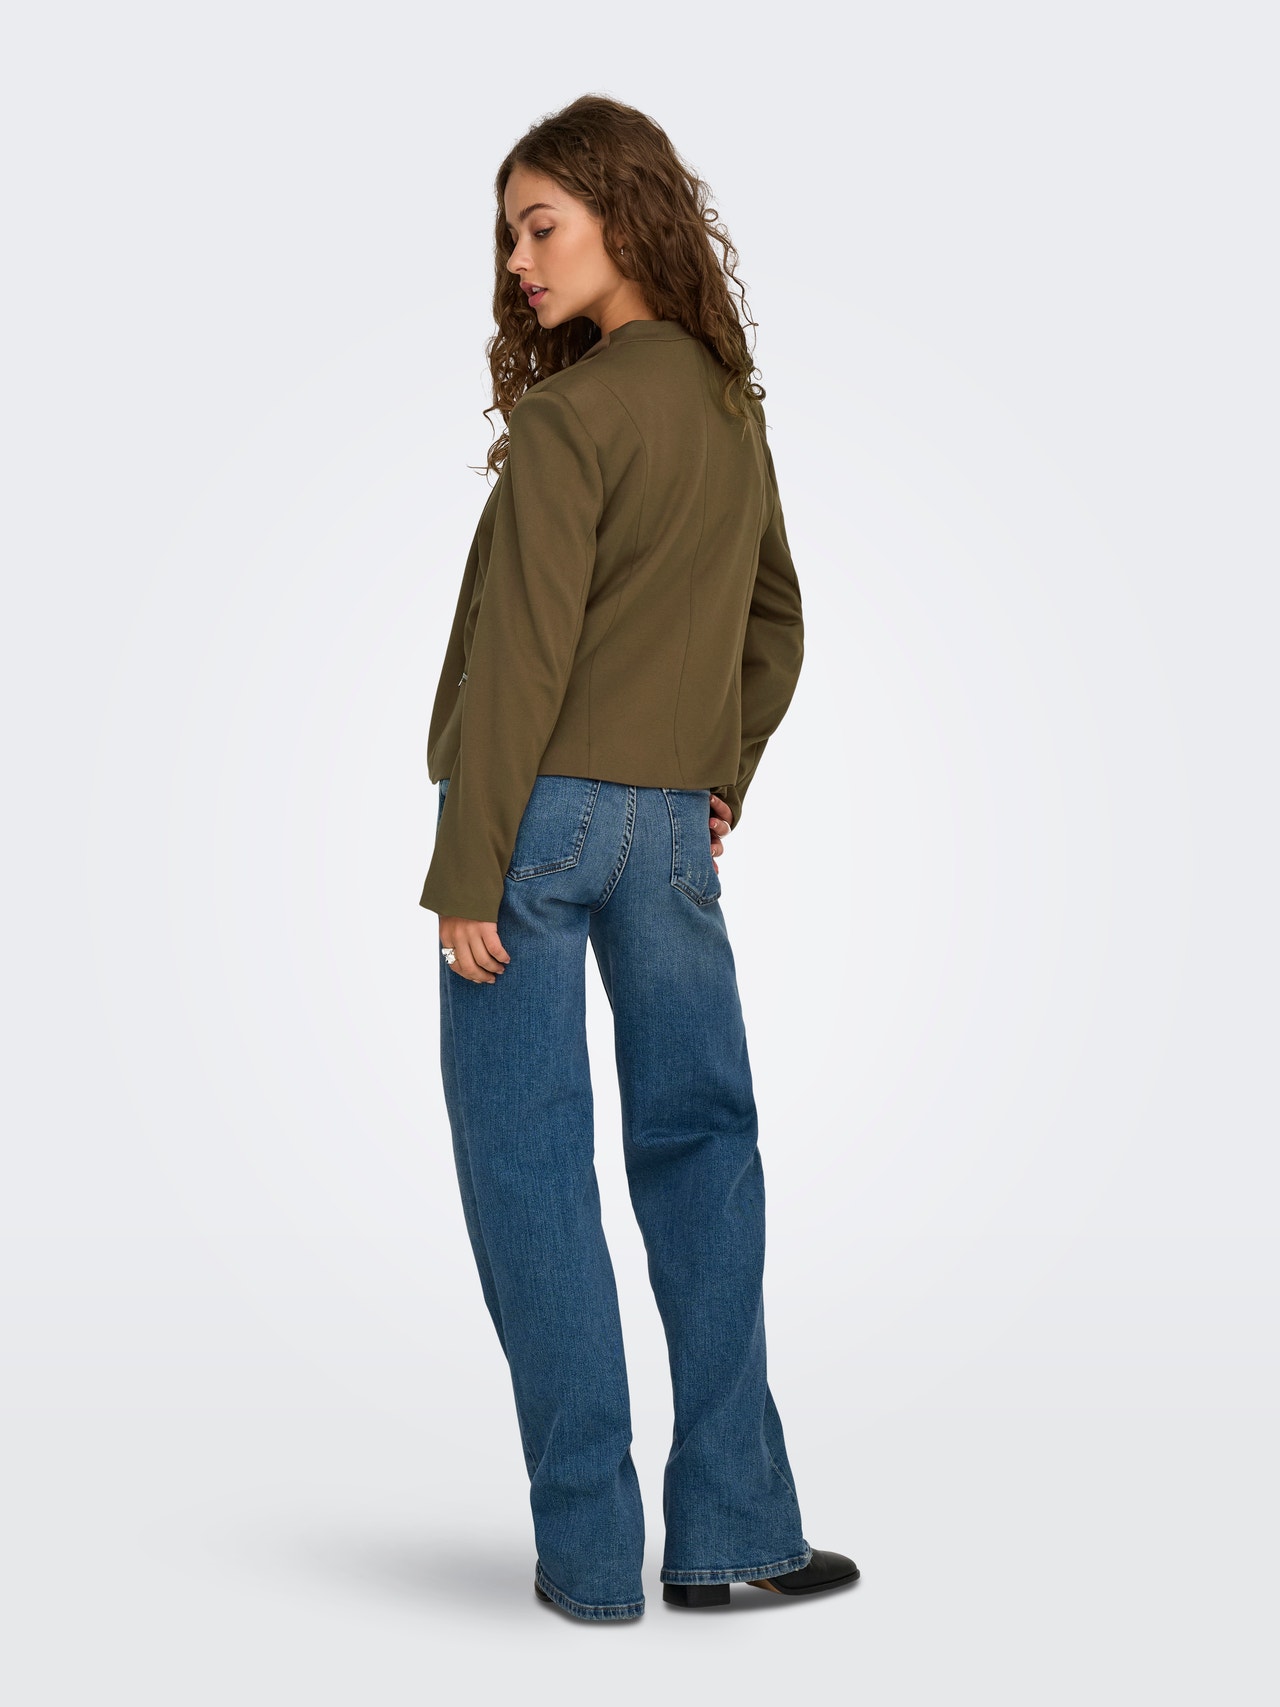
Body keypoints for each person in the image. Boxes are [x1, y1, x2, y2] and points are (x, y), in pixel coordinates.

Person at [418, 95, 859, 1622]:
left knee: (529, 1164)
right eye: (509, 236)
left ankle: (595, 1559)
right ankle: (735, 1534)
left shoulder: (570, 419)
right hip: (670, 827)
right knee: (703, 1148)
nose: (519, 260)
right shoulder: (728, 408)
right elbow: (776, 621)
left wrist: (467, 866)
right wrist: (716, 772)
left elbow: (524, 659)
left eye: (541, 225)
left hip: (532, 826)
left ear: (624, 211)